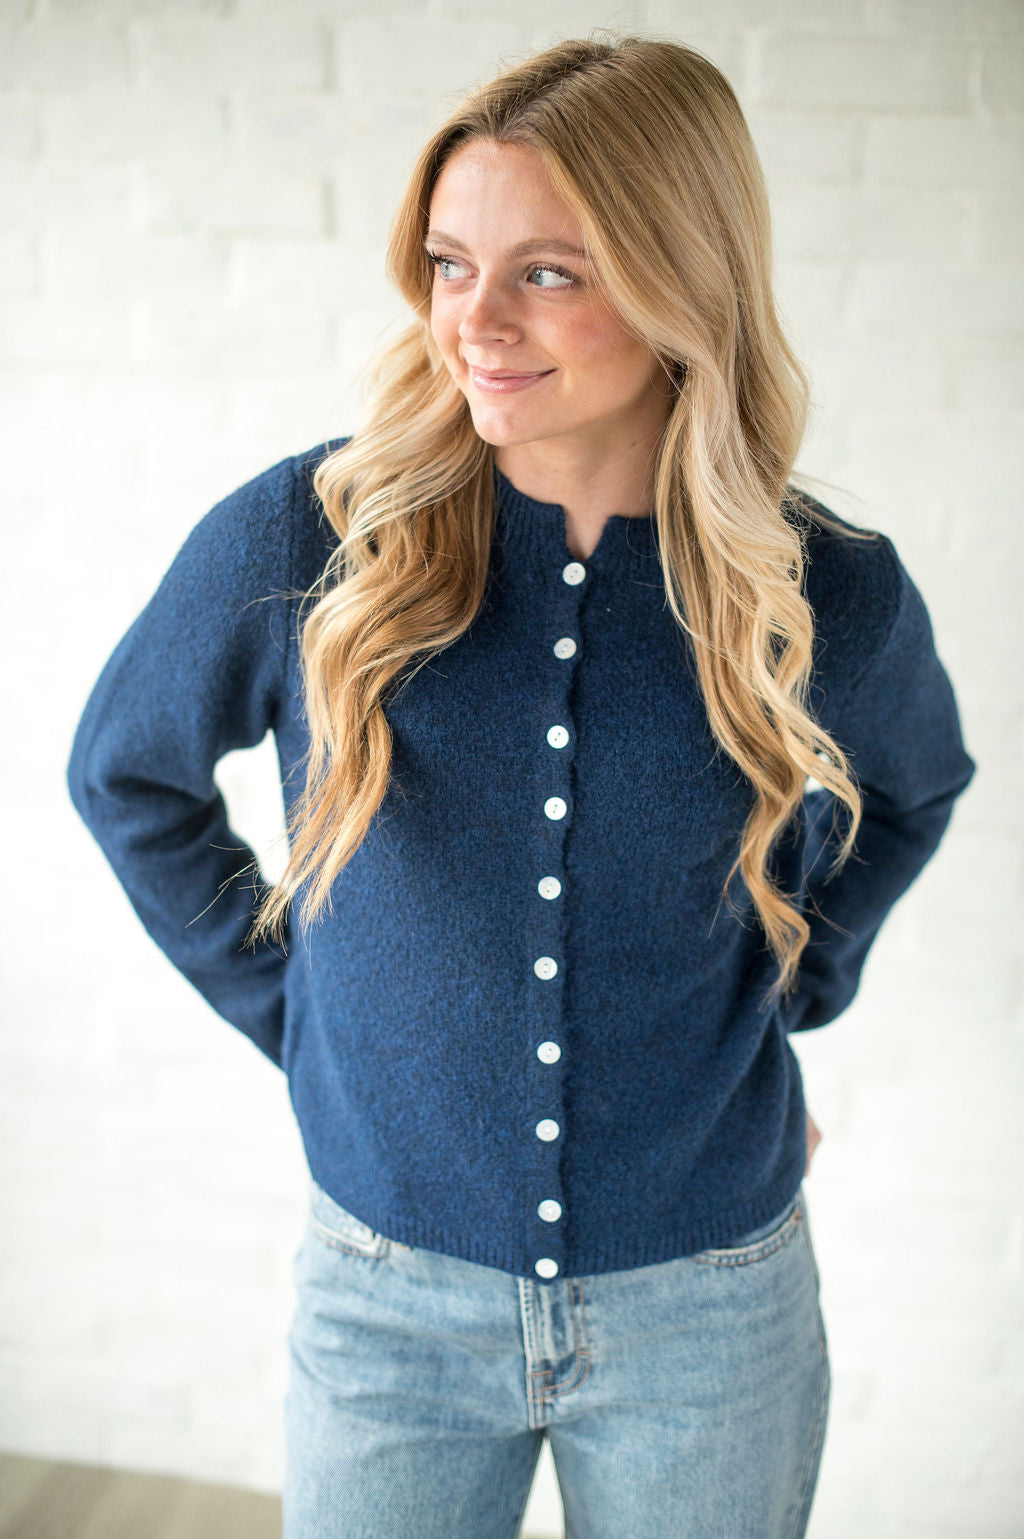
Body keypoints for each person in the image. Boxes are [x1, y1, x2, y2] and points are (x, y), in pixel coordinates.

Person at [66, 33, 975, 1539]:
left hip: (714, 1309)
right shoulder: (311, 539)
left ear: (686, 285)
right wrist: (298, 1017)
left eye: (550, 271)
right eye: (446, 261)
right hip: (386, 1309)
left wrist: (790, 990)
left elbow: (916, 790)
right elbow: (128, 774)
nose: (470, 320)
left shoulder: (829, 593)